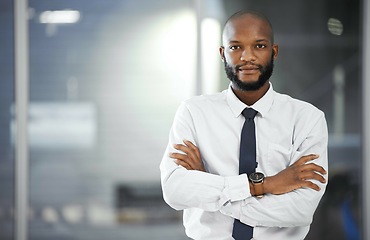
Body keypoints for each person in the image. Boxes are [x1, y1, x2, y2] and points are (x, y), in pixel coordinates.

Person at [160, 10, 328, 240]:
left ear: (274, 51)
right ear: (222, 53)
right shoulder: (193, 112)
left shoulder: (308, 119)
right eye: (235, 47)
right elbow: (175, 191)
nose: (247, 56)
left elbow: (300, 210)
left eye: (259, 46)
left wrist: (210, 187)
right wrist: (265, 185)